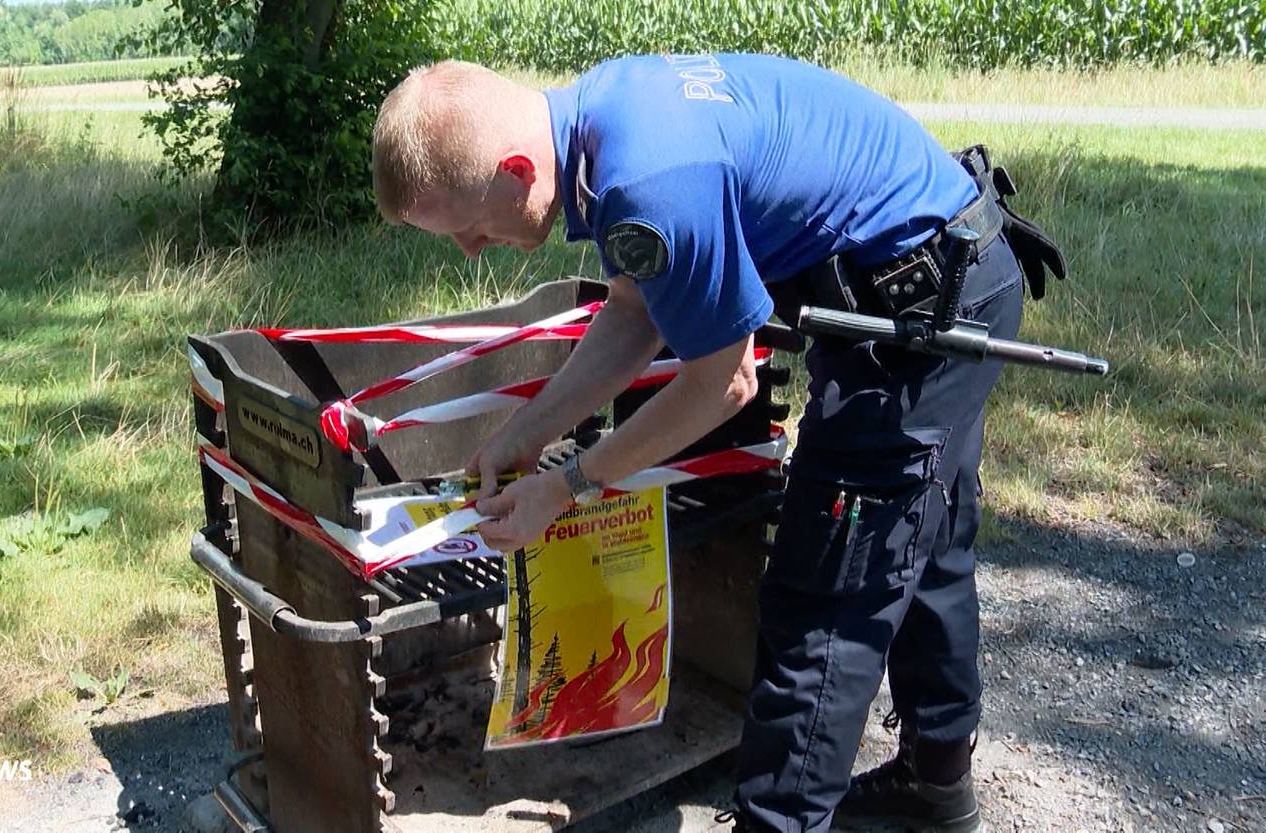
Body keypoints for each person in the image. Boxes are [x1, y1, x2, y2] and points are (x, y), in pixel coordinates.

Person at [371, 54, 1063, 833]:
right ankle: (936, 787)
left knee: (825, 597)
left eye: (468, 226)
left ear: (518, 171)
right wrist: (525, 433)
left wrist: (564, 489)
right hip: (941, 276)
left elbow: (720, 383)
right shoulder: (600, 122)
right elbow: (635, 313)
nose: (469, 248)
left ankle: (781, 820)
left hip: (924, 310)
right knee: (921, 542)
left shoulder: (647, 181)